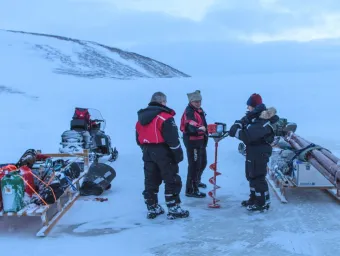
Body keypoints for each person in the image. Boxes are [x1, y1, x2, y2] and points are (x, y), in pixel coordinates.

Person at [135, 92, 190, 219]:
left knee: (150, 179)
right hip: (163, 150)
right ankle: (173, 207)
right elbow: (173, 139)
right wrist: (178, 153)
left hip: (147, 151)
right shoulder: (164, 117)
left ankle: (152, 206)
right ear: (163, 102)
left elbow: (138, 139)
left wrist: (146, 148)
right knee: (171, 178)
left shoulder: (140, 119)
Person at [228, 93, 279, 212]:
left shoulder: (262, 121)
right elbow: (245, 121)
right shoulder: (255, 117)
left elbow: (247, 136)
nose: (247, 108)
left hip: (259, 152)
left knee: (258, 176)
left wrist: (235, 130)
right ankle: (254, 198)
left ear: (254, 107)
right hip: (253, 151)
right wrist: (239, 123)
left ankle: (262, 202)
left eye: (249, 106)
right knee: (251, 175)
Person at [180, 90, 208, 198]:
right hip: (193, 141)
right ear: (191, 101)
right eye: (196, 101)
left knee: (203, 163)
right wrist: (201, 128)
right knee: (194, 165)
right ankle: (190, 189)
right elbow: (191, 125)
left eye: (199, 101)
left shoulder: (198, 110)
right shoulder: (189, 112)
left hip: (200, 140)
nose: (198, 103)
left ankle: (196, 181)